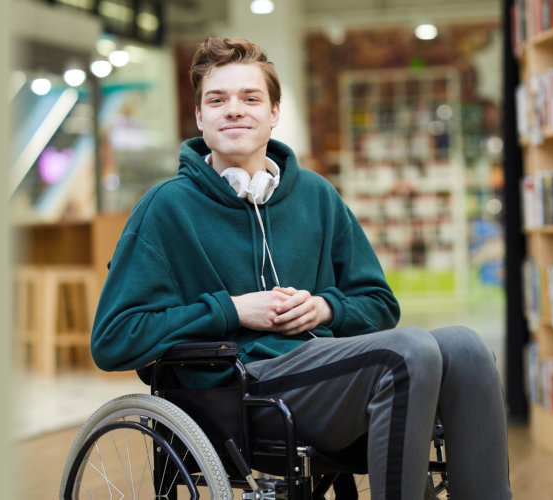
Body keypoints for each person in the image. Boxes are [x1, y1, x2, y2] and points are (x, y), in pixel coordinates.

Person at [89, 36, 512, 500]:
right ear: (199, 117)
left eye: (250, 98)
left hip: (325, 377)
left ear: (273, 113)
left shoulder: (316, 195)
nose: (234, 110)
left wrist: (324, 310)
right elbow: (113, 339)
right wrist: (232, 311)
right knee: (407, 350)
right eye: (217, 99)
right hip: (241, 393)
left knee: (468, 349)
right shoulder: (165, 208)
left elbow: (379, 304)